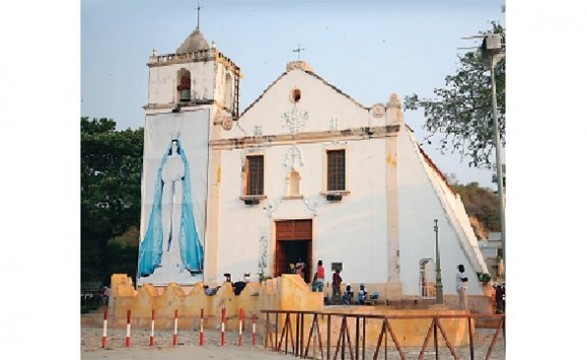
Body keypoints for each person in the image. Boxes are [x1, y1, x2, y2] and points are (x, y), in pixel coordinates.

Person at [138, 138, 204, 278]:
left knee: (177, 221)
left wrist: (174, 177)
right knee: (166, 222)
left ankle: (178, 254)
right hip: (168, 188)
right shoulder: (166, 161)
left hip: (178, 188)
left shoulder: (181, 160)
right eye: (172, 146)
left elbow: (181, 172)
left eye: (176, 146)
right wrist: (169, 178)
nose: (174, 148)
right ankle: (164, 255)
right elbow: (163, 175)